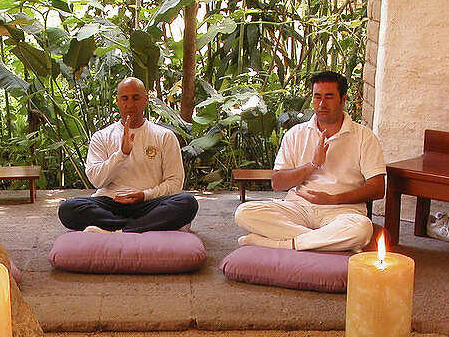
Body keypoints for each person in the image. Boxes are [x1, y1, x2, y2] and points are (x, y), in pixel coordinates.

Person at [234, 71, 385, 252]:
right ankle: (323, 240)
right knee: (244, 213)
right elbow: (278, 183)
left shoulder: (364, 137)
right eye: (317, 97)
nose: (322, 104)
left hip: (342, 211)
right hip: (299, 208)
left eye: (329, 97)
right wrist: (313, 164)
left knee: (361, 229)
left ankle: (282, 243)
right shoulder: (296, 134)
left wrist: (333, 199)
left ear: (343, 100)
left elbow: (377, 188)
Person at [58, 77, 198, 233]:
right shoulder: (102, 136)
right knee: (68, 209)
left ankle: (118, 229)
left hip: (149, 203)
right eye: (125, 98)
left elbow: (175, 183)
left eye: (136, 98)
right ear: (117, 101)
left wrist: (144, 195)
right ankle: (138, 226)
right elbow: (96, 180)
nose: (130, 104)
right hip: (110, 202)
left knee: (187, 203)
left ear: (145, 100)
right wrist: (122, 154)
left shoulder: (164, 136)